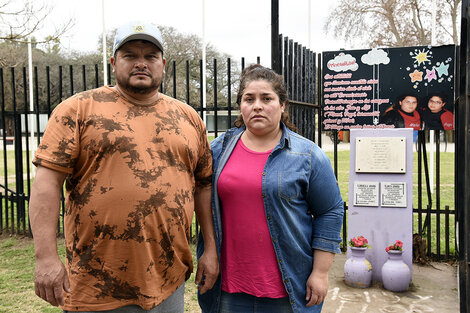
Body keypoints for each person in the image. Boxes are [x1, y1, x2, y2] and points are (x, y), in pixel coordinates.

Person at [29, 21, 219, 313]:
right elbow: (46, 184)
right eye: (130, 55)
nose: (141, 63)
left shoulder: (188, 118)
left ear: (163, 64)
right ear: (114, 62)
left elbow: (204, 186)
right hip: (97, 284)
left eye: (150, 56)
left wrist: (211, 251)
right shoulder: (78, 110)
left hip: (168, 280)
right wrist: (45, 258)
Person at [197, 64, 344, 313]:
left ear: (282, 105)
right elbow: (203, 198)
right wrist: (209, 250)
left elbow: (330, 211)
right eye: (249, 99)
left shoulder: (307, 155)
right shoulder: (218, 150)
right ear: (240, 105)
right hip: (229, 288)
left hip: (287, 289)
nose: (257, 106)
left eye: (267, 98)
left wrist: (320, 272)